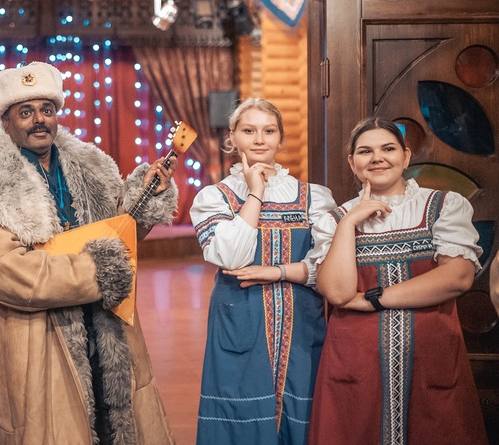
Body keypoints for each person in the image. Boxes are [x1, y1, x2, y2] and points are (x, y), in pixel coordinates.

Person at [0, 61, 178, 445]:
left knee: (114, 424)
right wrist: (97, 272)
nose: (39, 120)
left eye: (47, 109)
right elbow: (7, 272)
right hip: (36, 337)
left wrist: (145, 198)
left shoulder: (93, 166)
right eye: (26, 112)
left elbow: (119, 235)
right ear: (5, 121)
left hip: (105, 326)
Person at [308, 117, 488, 444]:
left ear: (405, 157)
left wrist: (374, 298)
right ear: (352, 162)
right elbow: (337, 291)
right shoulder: (334, 220)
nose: (377, 158)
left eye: (388, 149)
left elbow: (457, 277)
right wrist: (349, 223)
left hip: (430, 360)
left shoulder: (443, 206)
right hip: (356, 364)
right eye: (365, 151)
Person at [189, 97, 336, 445]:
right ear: (232, 138)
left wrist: (280, 272)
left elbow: (329, 268)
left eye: (269, 131)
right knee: (240, 417)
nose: (259, 139)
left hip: (302, 325)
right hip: (239, 323)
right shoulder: (215, 197)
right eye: (249, 130)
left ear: (281, 139)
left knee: (302, 415)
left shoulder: (312, 197)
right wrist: (255, 194)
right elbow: (231, 256)